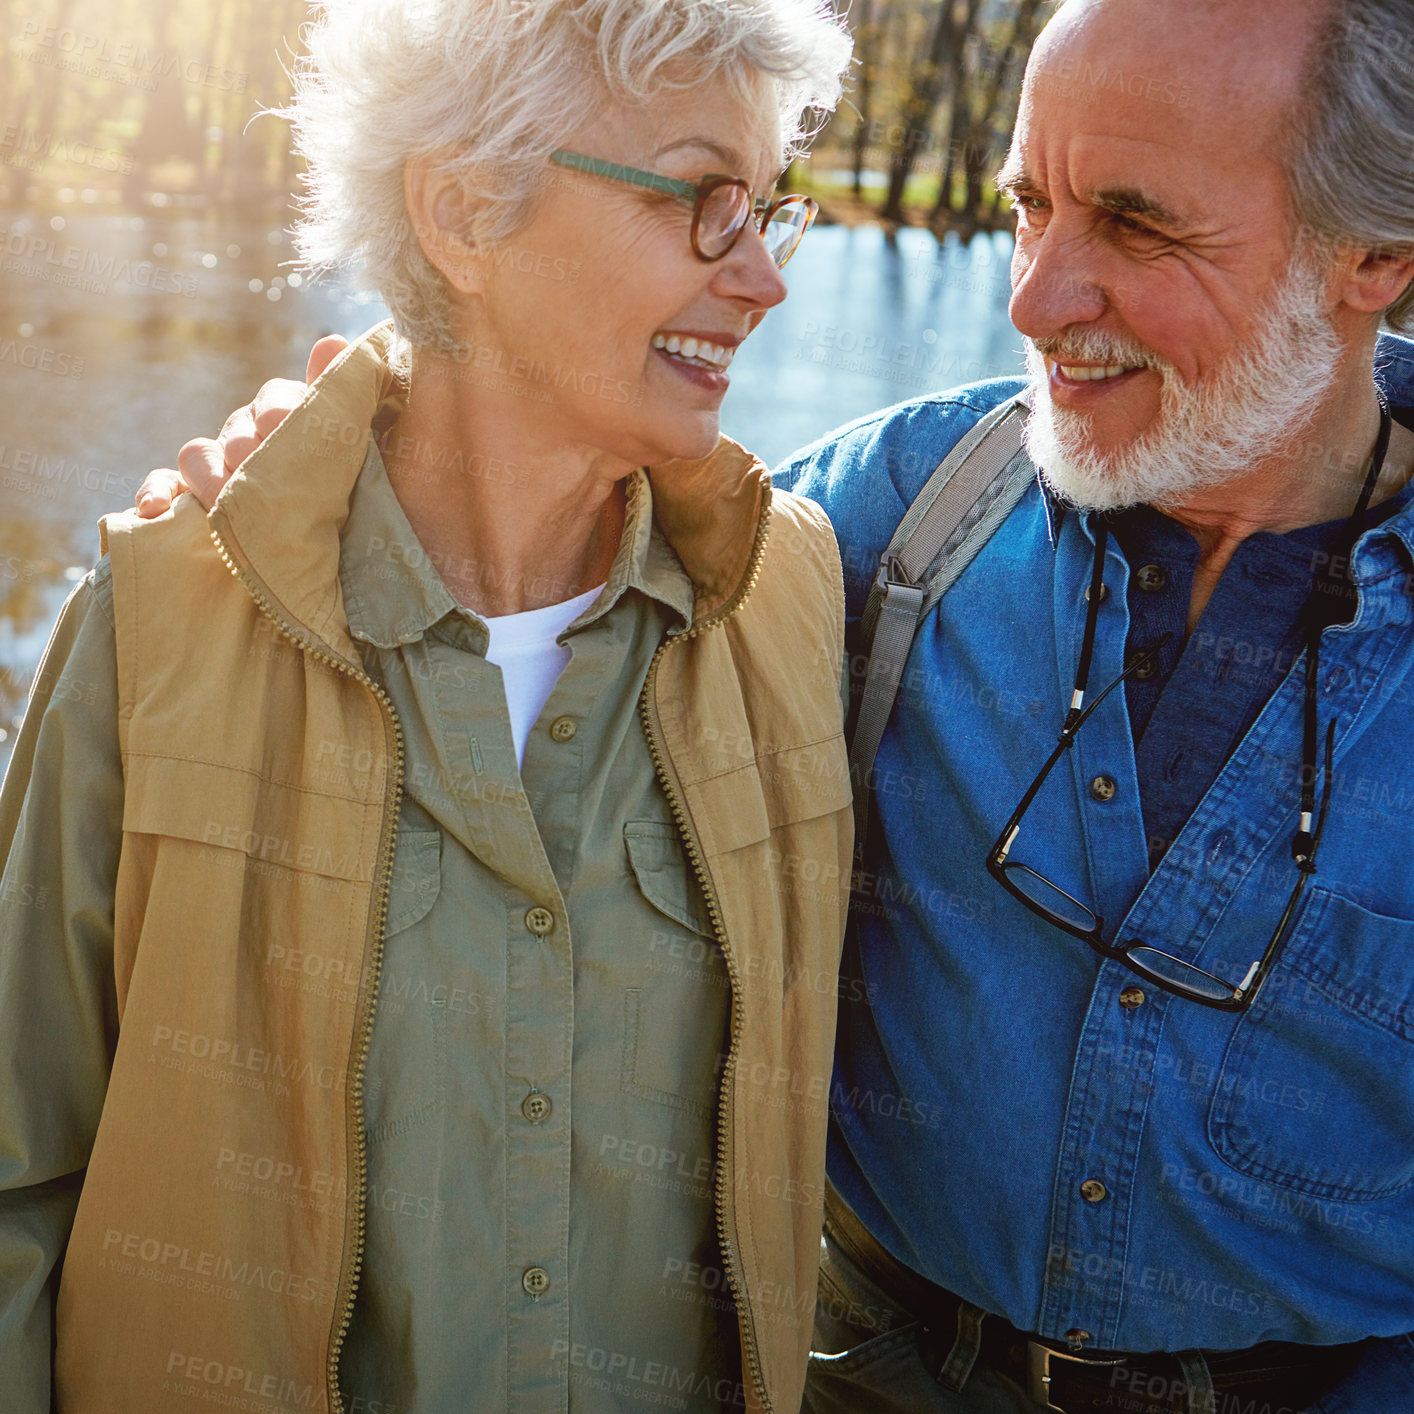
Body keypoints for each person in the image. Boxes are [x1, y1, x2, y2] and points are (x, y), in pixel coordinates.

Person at [145, 0, 1414, 1410]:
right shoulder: (879, 520)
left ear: (1372, 253)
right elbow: (541, 508)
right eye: (1026, 206)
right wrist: (330, 458)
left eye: (1135, 226)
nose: (1034, 296)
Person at [0, 1, 857, 1410]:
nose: (761, 276)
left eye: (769, 208)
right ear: (463, 212)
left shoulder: (797, 592)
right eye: (703, 202)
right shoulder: (166, 609)